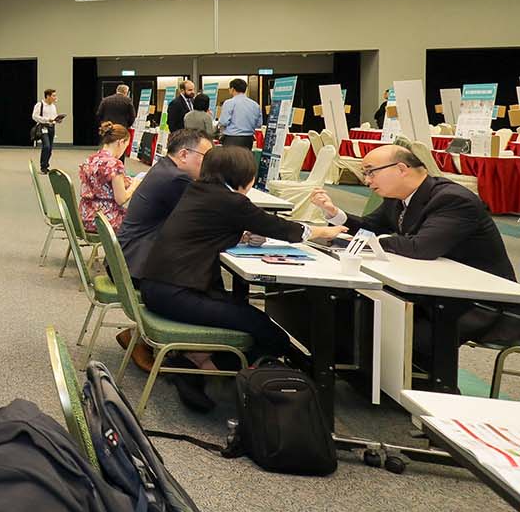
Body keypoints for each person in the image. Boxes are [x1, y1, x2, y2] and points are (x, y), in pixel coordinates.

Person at [138, 146, 346, 411]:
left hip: (160, 287)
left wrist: (241, 234)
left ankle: (197, 363)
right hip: (177, 293)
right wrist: (322, 232)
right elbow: (278, 226)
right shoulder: (231, 201)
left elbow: (208, 228)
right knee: (262, 327)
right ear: (244, 176)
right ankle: (208, 367)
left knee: (243, 312)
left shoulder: (198, 190)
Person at [310, 145, 518, 360]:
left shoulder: (453, 199)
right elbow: (370, 227)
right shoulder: (398, 197)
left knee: (396, 336)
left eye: (371, 172)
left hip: (479, 303)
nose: (367, 180)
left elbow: (421, 248)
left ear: (401, 168)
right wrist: (334, 213)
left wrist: (374, 242)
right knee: (356, 312)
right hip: (434, 288)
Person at [117, 129, 214, 274]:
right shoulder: (177, 178)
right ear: (183, 154)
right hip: (136, 265)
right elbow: (205, 217)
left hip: (125, 257)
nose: (210, 164)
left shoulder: (164, 167)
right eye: (206, 157)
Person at [78, 122, 140, 232]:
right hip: (106, 221)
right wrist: (134, 185)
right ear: (120, 142)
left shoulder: (90, 159)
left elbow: (100, 186)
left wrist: (124, 182)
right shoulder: (115, 164)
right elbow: (121, 199)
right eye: (125, 147)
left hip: (85, 216)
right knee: (144, 222)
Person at [218, 78, 262, 149]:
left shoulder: (229, 103)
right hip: (249, 139)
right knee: (245, 156)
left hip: (232, 139)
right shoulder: (255, 104)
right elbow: (259, 124)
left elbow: (223, 122)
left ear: (232, 89)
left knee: (232, 156)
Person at [32, 89, 60, 172]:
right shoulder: (40, 105)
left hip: (51, 128)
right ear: (48, 96)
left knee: (50, 148)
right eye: (53, 95)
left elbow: (54, 117)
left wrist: (57, 120)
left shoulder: (53, 106)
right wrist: (47, 119)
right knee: (46, 146)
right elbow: (34, 116)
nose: (55, 97)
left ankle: (46, 165)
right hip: (43, 127)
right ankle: (43, 166)